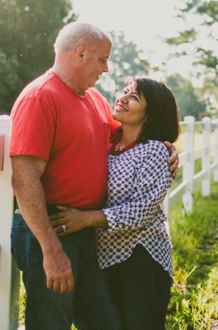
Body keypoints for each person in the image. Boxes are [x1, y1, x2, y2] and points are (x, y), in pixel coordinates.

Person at [9, 22, 179, 330]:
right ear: (81, 53)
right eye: (102, 60)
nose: (107, 69)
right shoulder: (40, 97)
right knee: (51, 322)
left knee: (106, 323)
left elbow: (133, 139)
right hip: (52, 228)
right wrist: (51, 249)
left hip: (88, 234)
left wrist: (167, 148)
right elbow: (24, 179)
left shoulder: (96, 101)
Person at [49, 76, 179, 330]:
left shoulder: (153, 151)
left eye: (135, 97)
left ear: (150, 115)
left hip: (141, 261)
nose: (123, 98)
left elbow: (141, 210)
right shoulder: (106, 144)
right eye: (125, 91)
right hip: (103, 258)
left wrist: (85, 219)